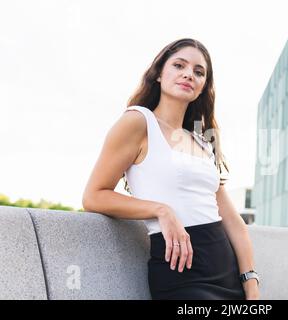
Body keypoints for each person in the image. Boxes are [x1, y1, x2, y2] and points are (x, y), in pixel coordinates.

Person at [82, 38, 260, 300]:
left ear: (202, 87)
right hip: (181, 274)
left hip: (228, 272)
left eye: (199, 72)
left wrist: (251, 284)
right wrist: (161, 210)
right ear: (158, 74)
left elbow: (233, 222)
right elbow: (94, 196)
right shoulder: (138, 122)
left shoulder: (202, 140)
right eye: (179, 65)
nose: (189, 74)